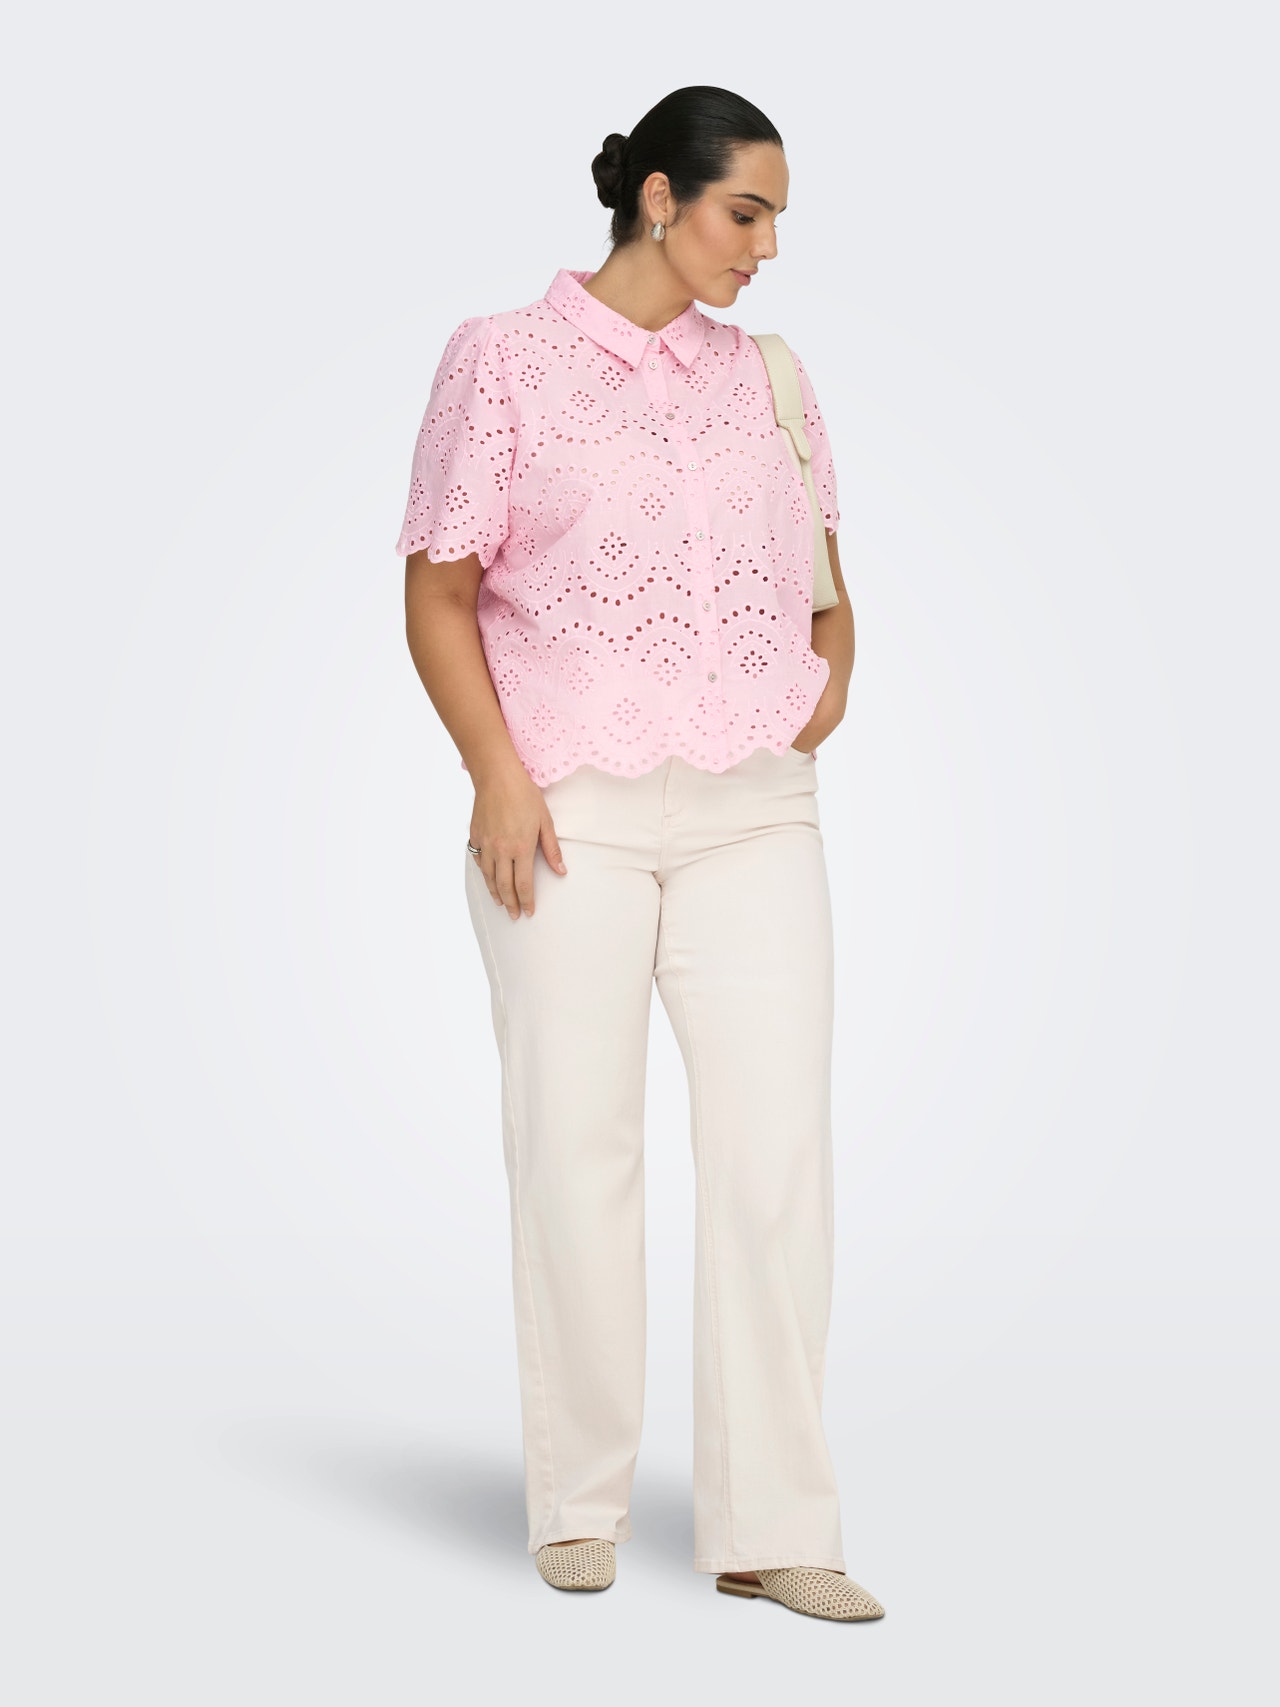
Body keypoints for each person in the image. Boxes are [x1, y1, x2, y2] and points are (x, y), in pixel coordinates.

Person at [393, 84, 884, 1624]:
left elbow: (826, 578)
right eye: (747, 212)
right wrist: (495, 774)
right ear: (659, 199)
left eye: (778, 220)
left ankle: (775, 1526)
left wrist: (826, 687)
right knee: (577, 1146)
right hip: (567, 812)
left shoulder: (773, 376)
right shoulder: (503, 359)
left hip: (754, 814)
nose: (766, 248)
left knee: (776, 1157)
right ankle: (579, 1500)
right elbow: (438, 591)